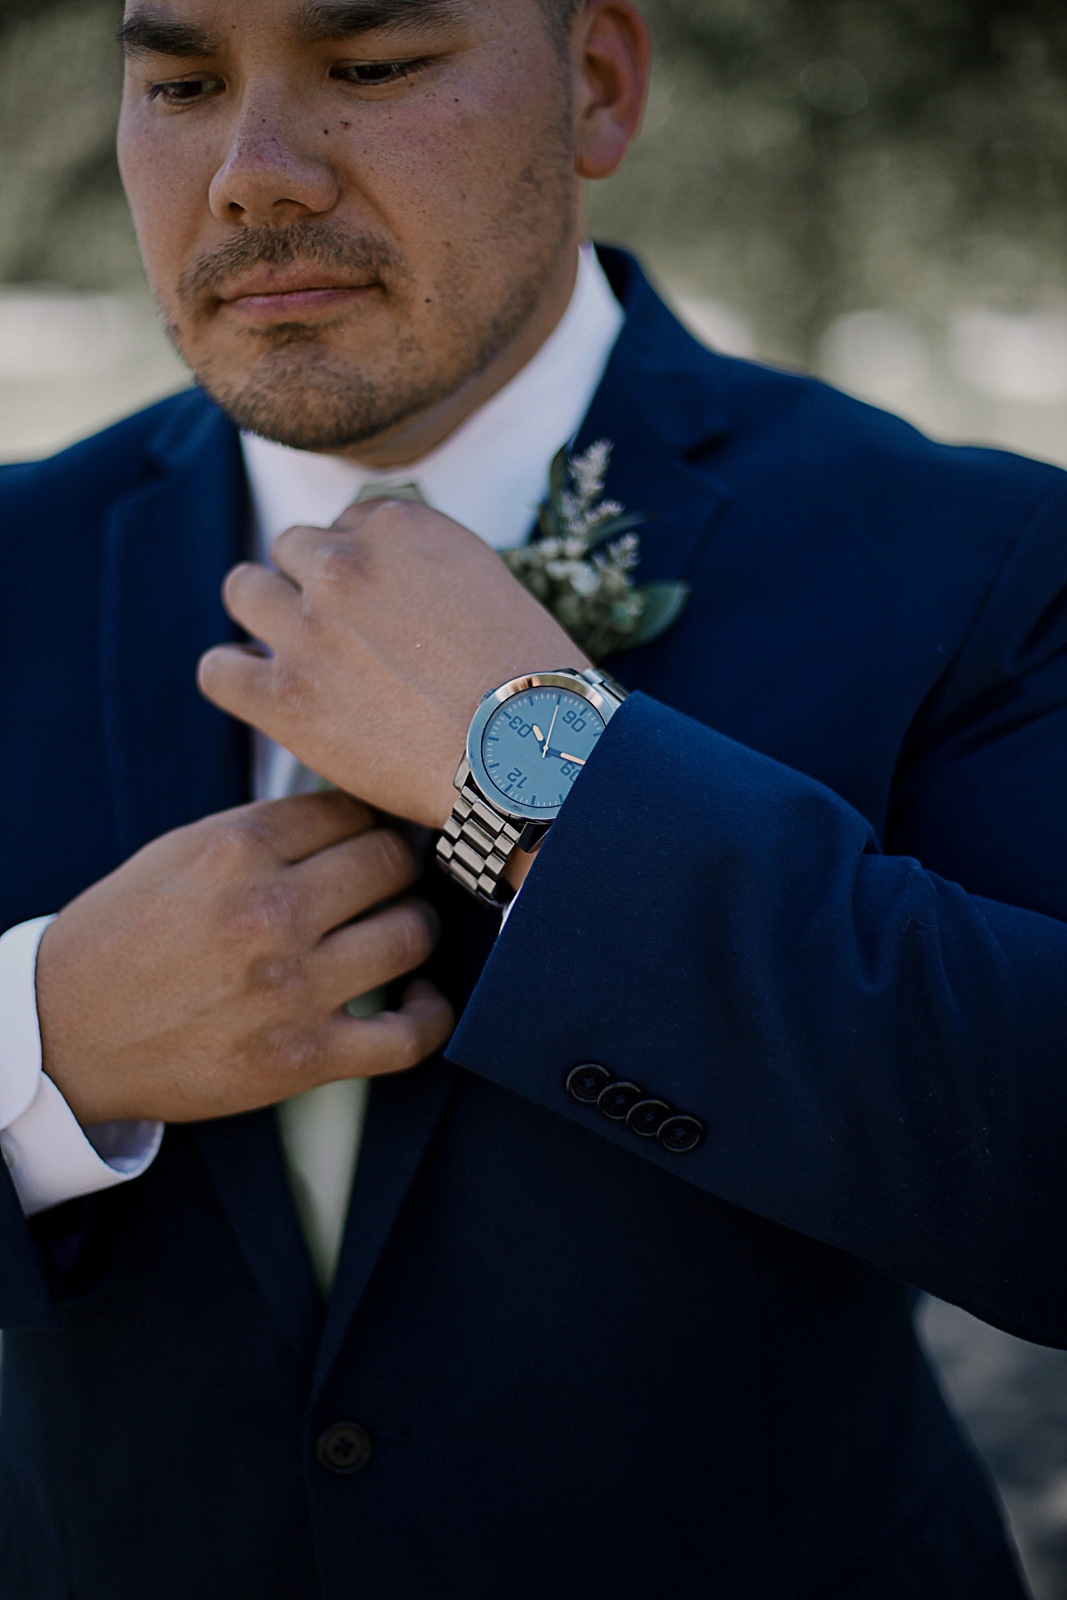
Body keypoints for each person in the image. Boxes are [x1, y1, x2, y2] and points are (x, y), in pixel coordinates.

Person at [1, 0, 1065, 1594]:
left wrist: (537, 775)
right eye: (180, 81)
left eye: (371, 67)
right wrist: (45, 1038)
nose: (252, 174)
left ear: (598, 84)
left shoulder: (971, 556)